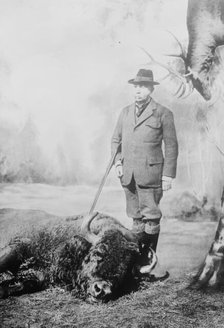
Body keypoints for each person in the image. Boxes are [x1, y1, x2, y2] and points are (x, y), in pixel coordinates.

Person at [111, 68, 178, 263]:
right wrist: (117, 163)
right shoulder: (125, 112)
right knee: (135, 217)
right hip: (128, 175)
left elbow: (172, 146)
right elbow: (116, 140)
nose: (137, 91)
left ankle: (148, 262)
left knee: (151, 217)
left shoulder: (163, 113)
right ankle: (135, 262)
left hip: (151, 175)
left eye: (142, 87)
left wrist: (168, 175)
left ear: (151, 89)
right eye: (135, 87)